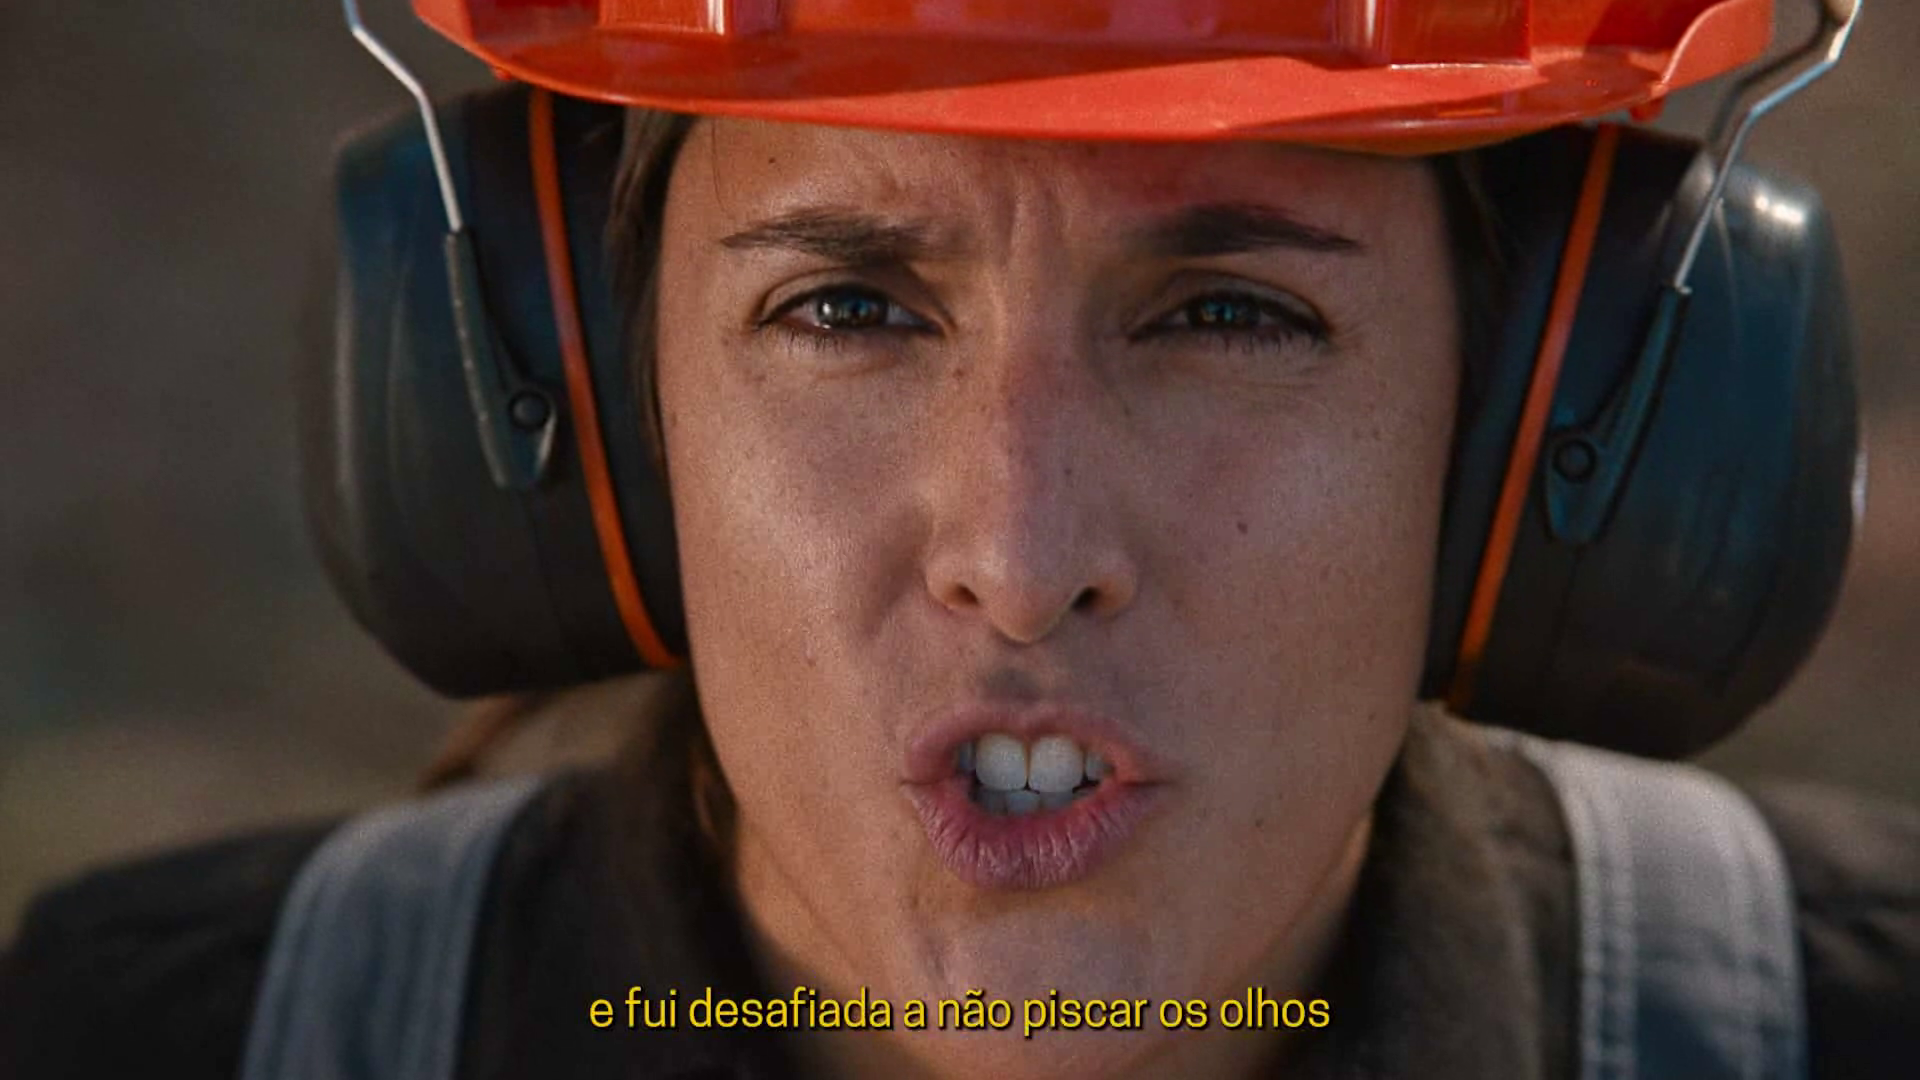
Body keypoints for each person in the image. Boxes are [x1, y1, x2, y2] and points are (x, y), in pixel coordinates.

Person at [2, 1, 1916, 1078]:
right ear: (583, 411)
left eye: (1231, 314)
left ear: (1529, 430)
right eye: (847, 308)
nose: (1019, 548)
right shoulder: (130, 1036)